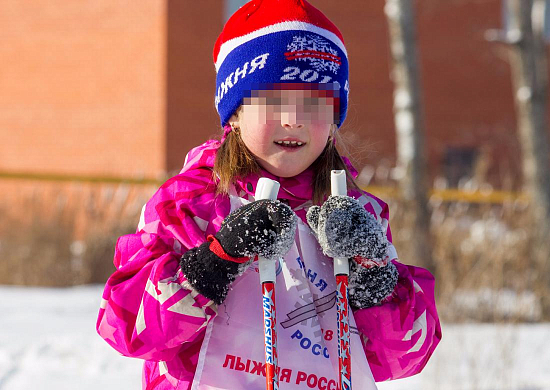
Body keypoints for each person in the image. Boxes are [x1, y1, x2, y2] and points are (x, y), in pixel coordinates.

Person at [96, 1, 441, 389]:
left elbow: (406, 356)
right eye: (274, 100)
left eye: (313, 102)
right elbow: (128, 329)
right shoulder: (189, 203)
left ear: (333, 118)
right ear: (236, 111)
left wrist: (373, 276)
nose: (293, 118)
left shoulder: (355, 211)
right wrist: (214, 262)